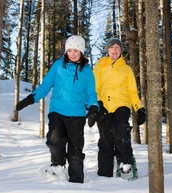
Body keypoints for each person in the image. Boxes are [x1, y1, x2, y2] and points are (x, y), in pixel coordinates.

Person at [16, 35, 99, 183]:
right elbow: (46, 85)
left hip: (77, 115)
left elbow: (91, 93)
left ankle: (77, 181)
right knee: (54, 141)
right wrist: (32, 98)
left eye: (76, 50)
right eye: (70, 50)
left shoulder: (87, 71)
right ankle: (58, 167)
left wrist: (93, 106)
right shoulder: (58, 65)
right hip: (57, 112)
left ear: (81, 51)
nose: (72, 53)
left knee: (75, 151)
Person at [90, 38, 146, 178]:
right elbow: (93, 88)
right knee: (105, 139)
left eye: (117, 48)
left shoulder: (126, 69)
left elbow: (132, 91)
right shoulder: (99, 66)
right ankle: (104, 173)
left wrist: (139, 108)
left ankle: (125, 163)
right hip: (103, 107)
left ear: (121, 51)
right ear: (107, 50)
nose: (114, 50)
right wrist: (97, 104)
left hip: (121, 105)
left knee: (121, 131)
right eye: (112, 47)